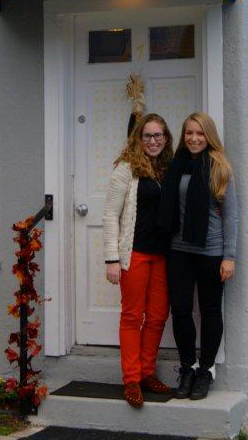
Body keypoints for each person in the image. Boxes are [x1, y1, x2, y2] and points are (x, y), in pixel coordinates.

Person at [159, 111, 238, 401]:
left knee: (210, 311)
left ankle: (205, 370)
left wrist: (229, 257)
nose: (194, 138)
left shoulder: (219, 167)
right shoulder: (176, 165)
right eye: (190, 133)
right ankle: (188, 367)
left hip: (211, 251)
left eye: (200, 134)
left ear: (209, 136)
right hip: (178, 249)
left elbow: (231, 217)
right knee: (179, 310)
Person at [102, 113, 175, 408]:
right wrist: (111, 259)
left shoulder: (170, 169)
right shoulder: (126, 170)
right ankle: (131, 379)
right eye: (148, 136)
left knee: (157, 316)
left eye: (158, 136)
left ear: (166, 139)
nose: (153, 141)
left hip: (164, 255)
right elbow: (110, 215)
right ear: (139, 138)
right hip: (135, 254)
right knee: (133, 316)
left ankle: (147, 373)